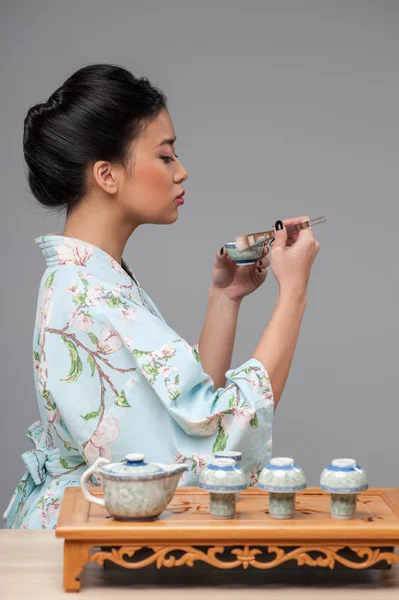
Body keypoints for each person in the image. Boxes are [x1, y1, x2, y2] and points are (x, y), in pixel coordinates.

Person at [4, 64, 320, 529]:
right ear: (107, 176)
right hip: (82, 537)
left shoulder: (92, 280)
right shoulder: (86, 291)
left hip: (87, 523)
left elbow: (185, 418)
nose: (182, 171)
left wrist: (225, 298)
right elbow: (206, 449)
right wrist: (292, 294)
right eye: (166, 156)